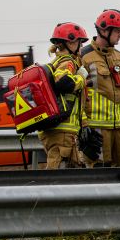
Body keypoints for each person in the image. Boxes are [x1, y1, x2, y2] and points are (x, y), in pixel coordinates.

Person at [80, 9, 120, 167]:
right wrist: (83, 124)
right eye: (118, 31)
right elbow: (77, 96)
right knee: (99, 172)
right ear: (105, 30)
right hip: (97, 130)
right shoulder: (83, 57)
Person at [39, 22, 89, 169]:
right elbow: (63, 83)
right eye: (80, 42)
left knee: (73, 170)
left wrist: (83, 124)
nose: (81, 46)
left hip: (60, 130)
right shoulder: (68, 62)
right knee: (57, 174)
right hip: (62, 132)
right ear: (70, 43)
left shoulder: (56, 62)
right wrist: (81, 78)